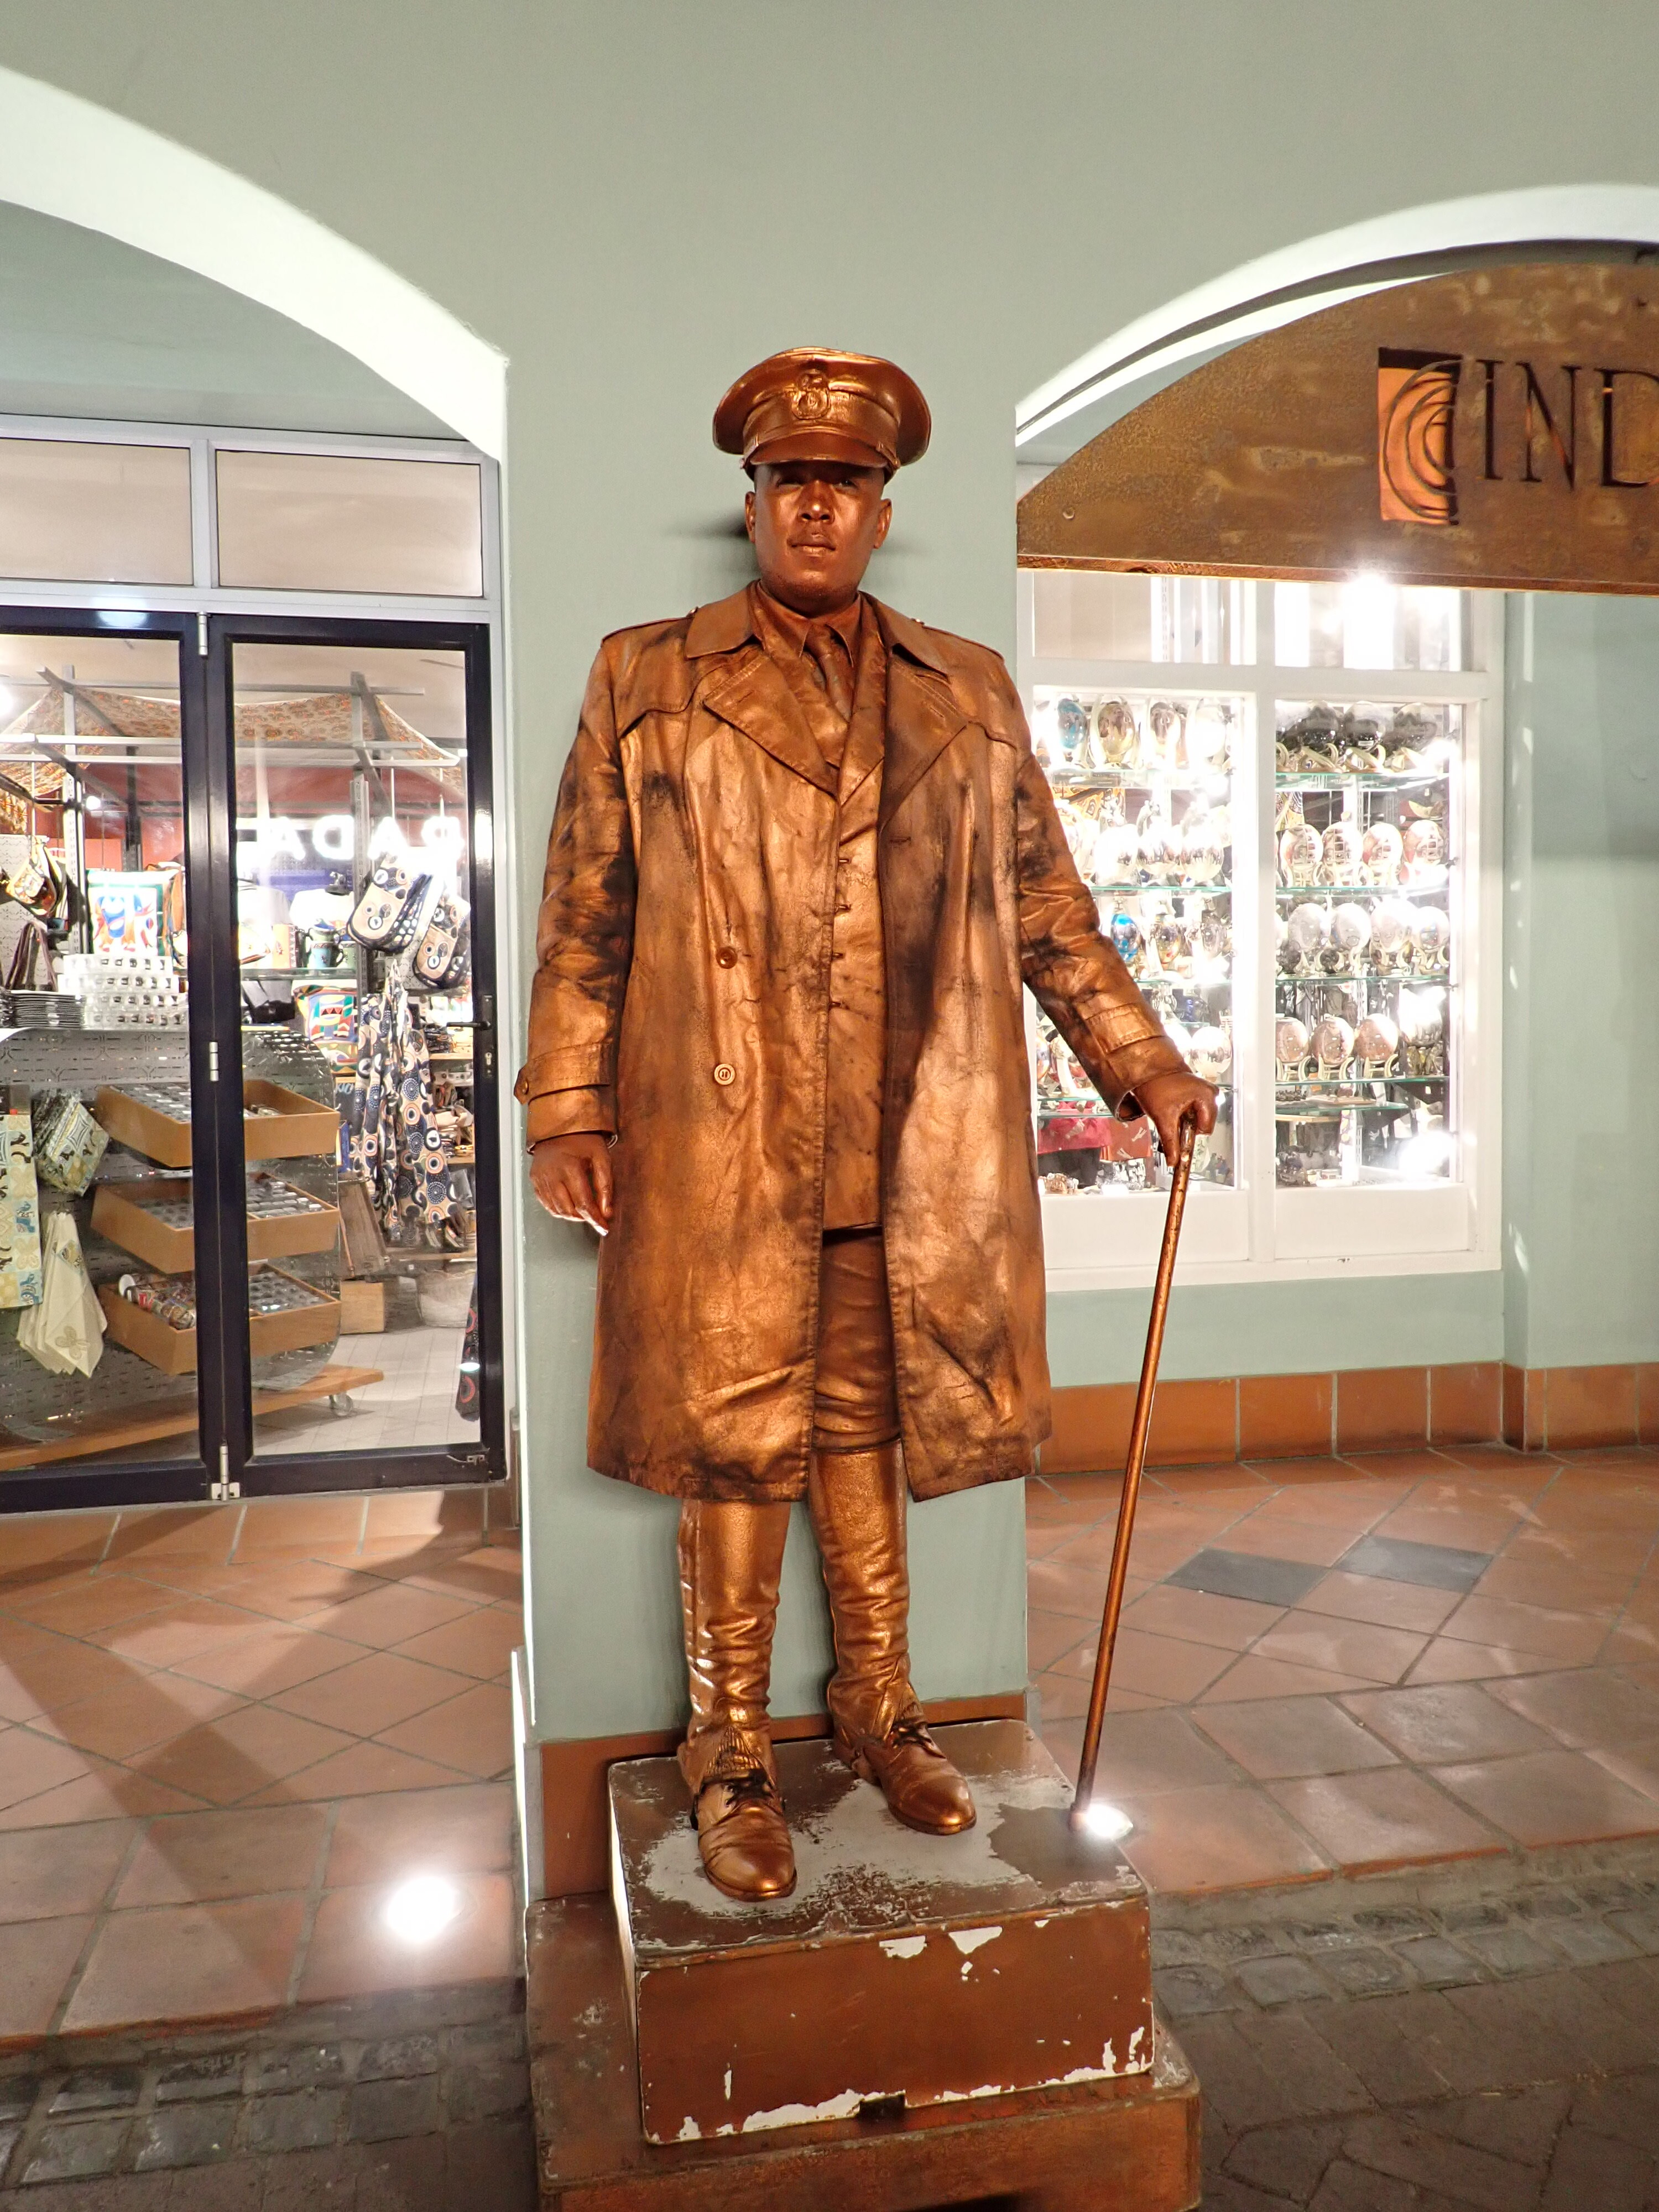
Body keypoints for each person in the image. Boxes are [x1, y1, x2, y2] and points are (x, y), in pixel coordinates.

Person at [518, 349, 1215, 1902]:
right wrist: (566, 1103)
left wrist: (1143, 1063)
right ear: (753, 502)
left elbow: (1049, 907)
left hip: (910, 1142)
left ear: (884, 512)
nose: (817, 508)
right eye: (790, 483)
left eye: (846, 485)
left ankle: (878, 1709)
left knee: (868, 1431)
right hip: (723, 1134)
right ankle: (728, 1750)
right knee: (730, 1449)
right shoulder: (649, 676)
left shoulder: (965, 689)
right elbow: (585, 912)